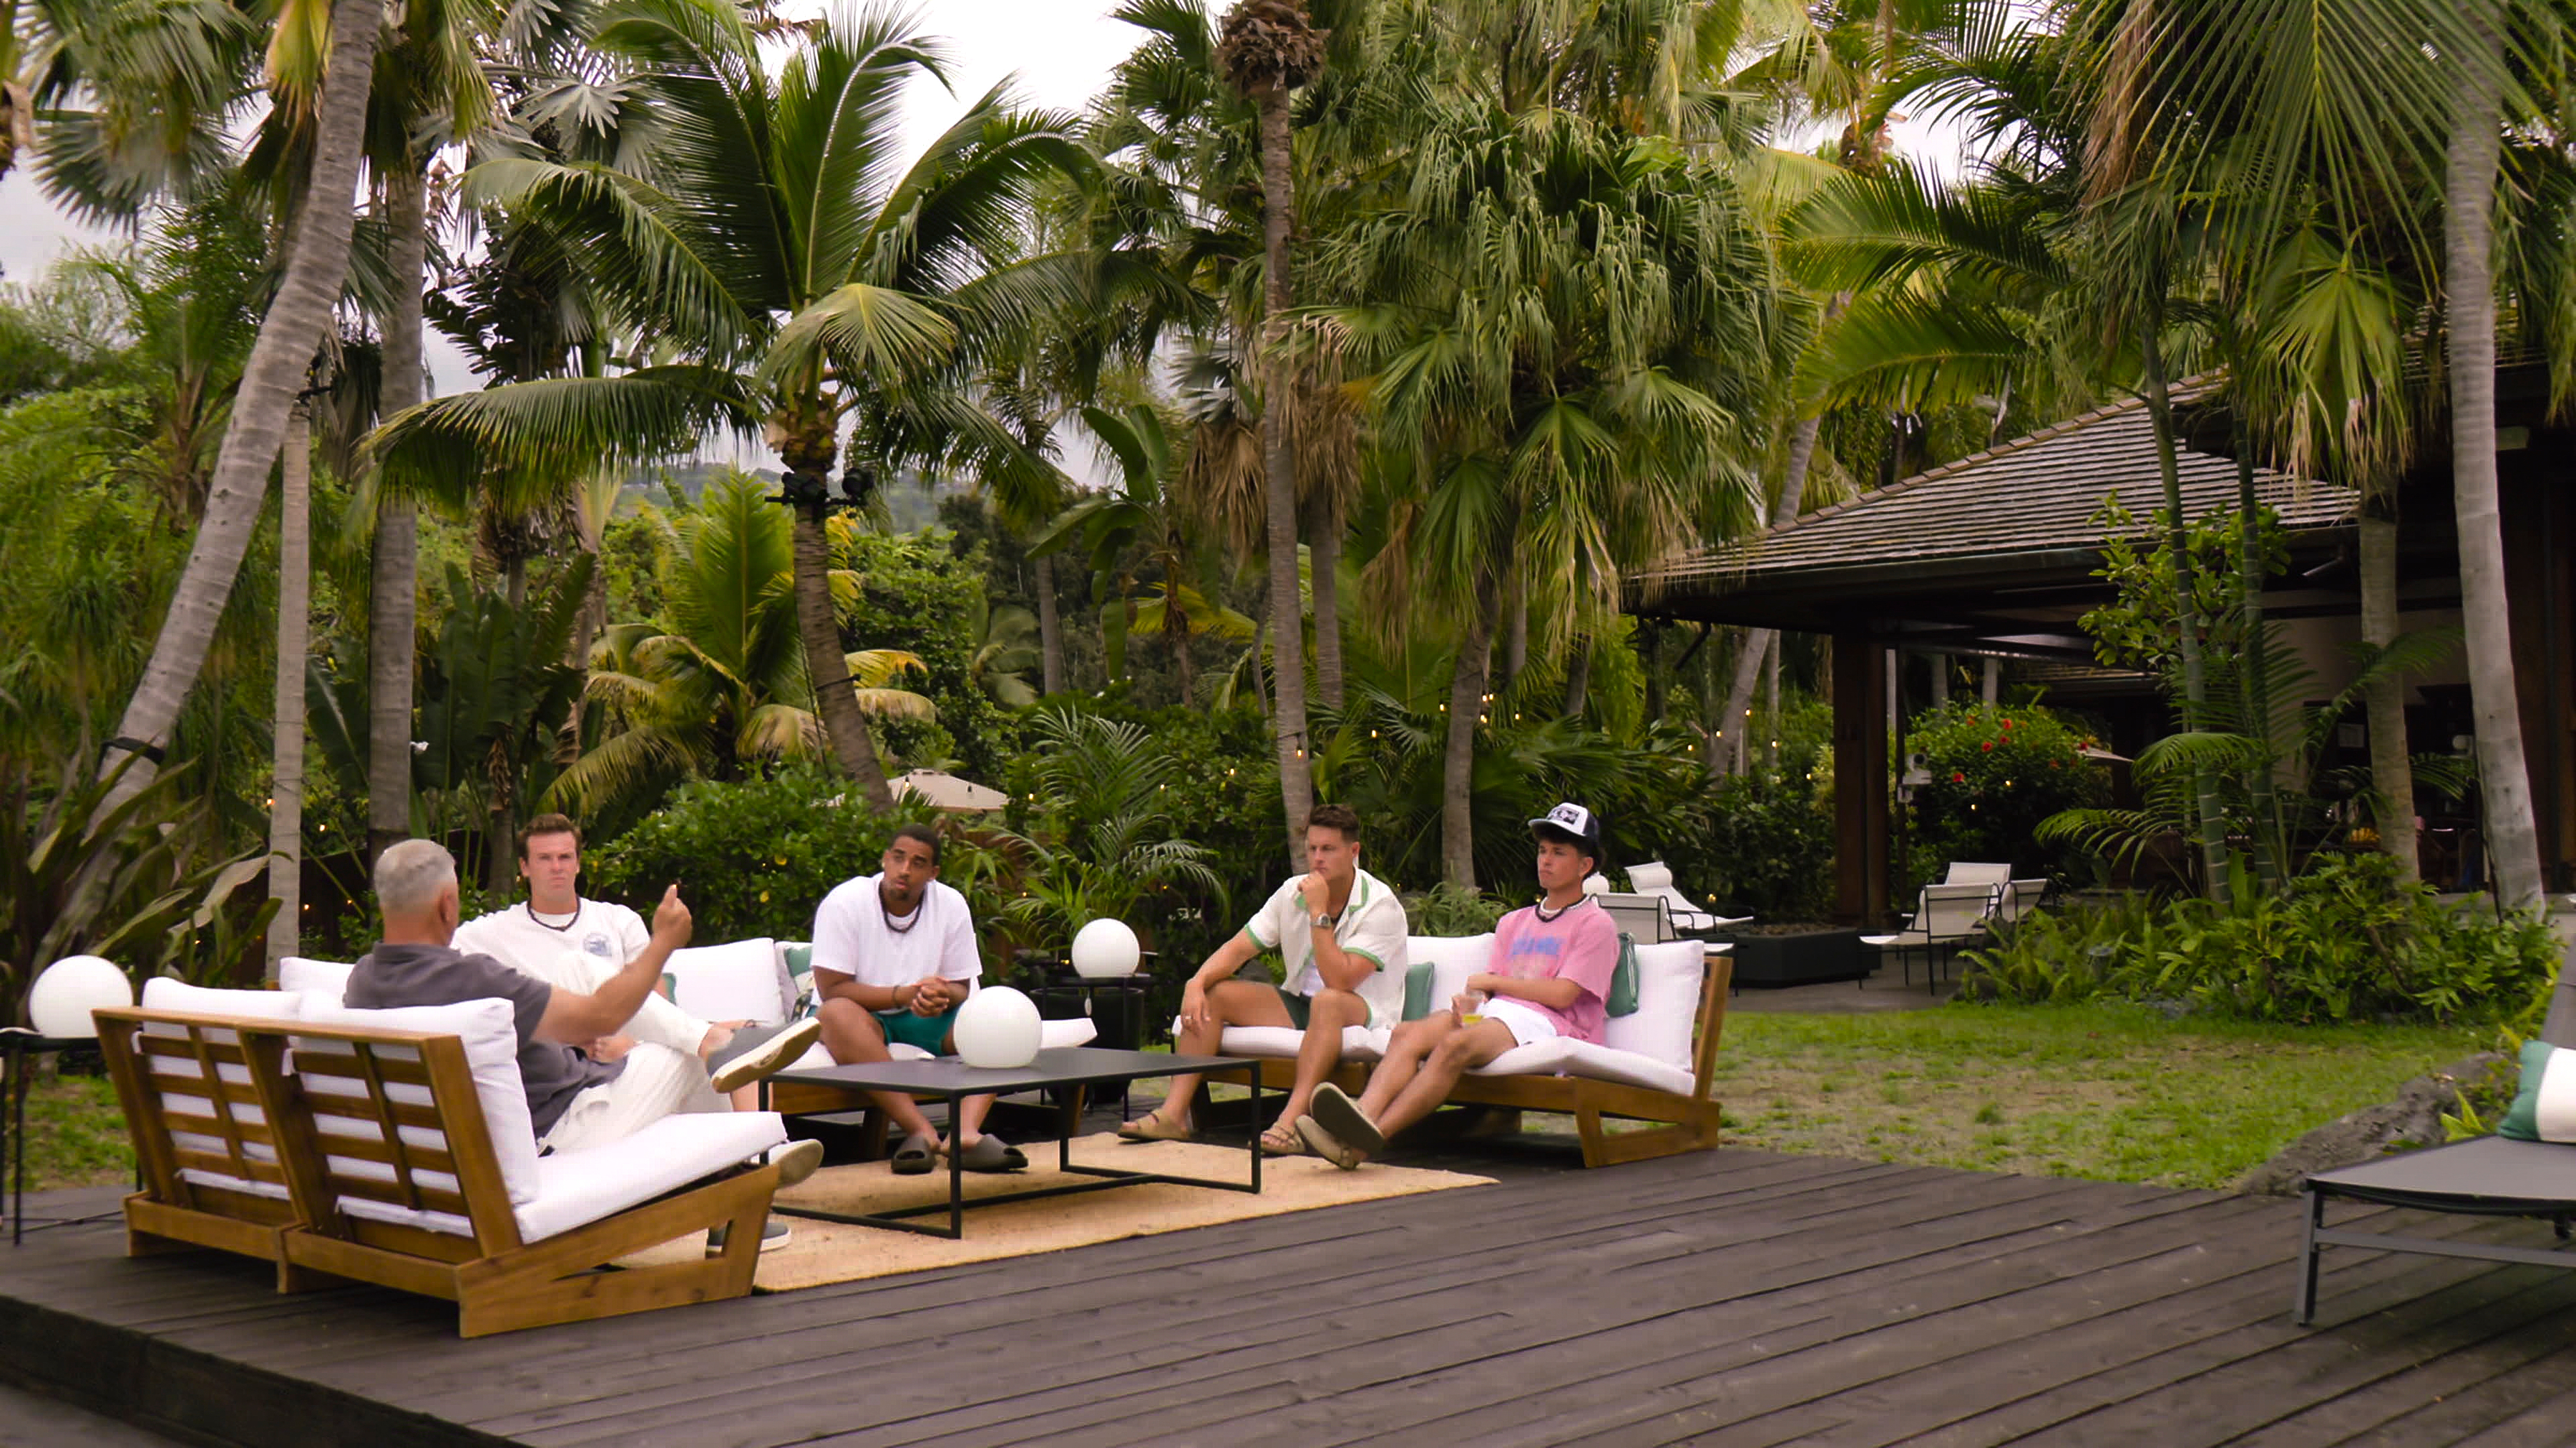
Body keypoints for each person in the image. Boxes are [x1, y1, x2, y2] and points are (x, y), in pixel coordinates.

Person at [345, 839, 823, 1244]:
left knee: (581, 966)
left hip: (471, 1142)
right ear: (447, 904)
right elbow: (601, 1016)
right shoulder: (472, 979)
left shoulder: (364, 982)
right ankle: (735, 1201)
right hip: (561, 1130)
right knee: (684, 1059)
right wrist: (662, 943)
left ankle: (713, 1041)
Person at [1295, 801, 1619, 1169]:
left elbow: (1564, 994)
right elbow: (1489, 991)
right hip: (1500, 1016)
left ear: (1585, 866)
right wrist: (1472, 1001)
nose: (1545, 860)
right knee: (1406, 1035)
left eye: (1559, 853)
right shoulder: (1514, 922)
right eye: (1543, 851)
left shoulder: (1595, 924)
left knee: (1455, 1044)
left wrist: (1492, 983)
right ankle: (1356, 1121)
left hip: (1552, 1026)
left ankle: (1365, 1144)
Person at [453, 813, 822, 1110]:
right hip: (568, 1053)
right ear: (525, 867)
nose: (556, 867)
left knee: (741, 1041)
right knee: (579, 966)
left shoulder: (618, 919)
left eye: (565, 857)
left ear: (579, 864)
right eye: (544, 859)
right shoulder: (492, 932)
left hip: (635, 1037)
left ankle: (764, 1150)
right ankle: (723, 1064)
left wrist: (628, 1041)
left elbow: (656, 1000)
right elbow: (434, 951)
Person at [1117, 803, 1408, 1158]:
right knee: (1216, 993)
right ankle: (1174, 1115)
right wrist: (1195, 983)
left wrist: (1319, 912)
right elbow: (1239, 949)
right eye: (1312, 849)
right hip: (1303, 1001)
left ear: (1354, 852)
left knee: (1328, 1001)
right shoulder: (1291, 893)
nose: (1317, 859)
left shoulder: (1380, 906)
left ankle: (1289, 1120)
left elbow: (1340, 981)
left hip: (1364, 1010)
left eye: (1328, 849)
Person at [810, 823, 1023, 1175]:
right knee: (834, 1015)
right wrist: (901, 995)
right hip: (864, 1016)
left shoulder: (951, 904)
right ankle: (921, 1131)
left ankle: (965, 1135)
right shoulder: (845, 902)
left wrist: (940, 994)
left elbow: (962, 987)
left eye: (918, 862)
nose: (905, 870)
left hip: (927, 1016)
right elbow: (832, 988)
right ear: (885, 859)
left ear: (933, 873)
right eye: (898, 858)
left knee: (1001, 1022)